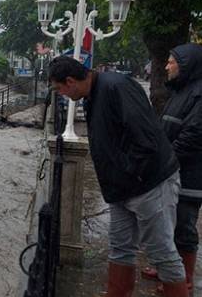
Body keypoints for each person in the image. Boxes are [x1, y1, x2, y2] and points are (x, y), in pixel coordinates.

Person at [49, 56, 188, 296]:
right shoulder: (94, 93)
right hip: (122, 187)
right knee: (120, 248)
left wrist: (129, 173)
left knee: (161, 253)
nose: (60, 93)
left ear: (70, 81)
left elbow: (146, 140)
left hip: (149, 183)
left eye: (58, 88)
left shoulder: (116, 87)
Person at [141, 43, 202, 292]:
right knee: (167, 222)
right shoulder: (180, 91)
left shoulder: (198, 94)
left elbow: (194, 135)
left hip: (190, 175)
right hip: (170, 171)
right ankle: (167, 267)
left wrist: (166, 159)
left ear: (185, 65)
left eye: (171, 61)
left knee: (184, 226)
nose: (166, 66)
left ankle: (184, 279)